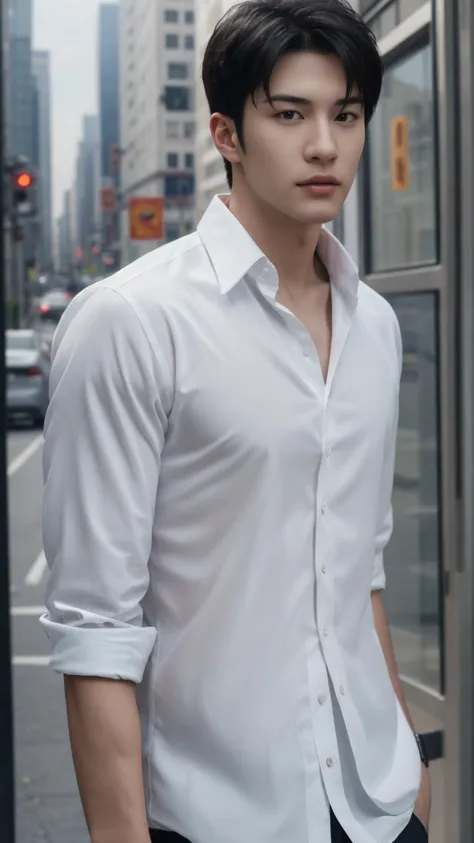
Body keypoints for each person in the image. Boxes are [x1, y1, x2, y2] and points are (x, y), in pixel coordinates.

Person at [40, 1, 431, 842]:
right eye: (289, 114)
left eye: (347, 114)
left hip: (376, 809)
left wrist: (407, 776)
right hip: (215, 814)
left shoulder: (376, 327)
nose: (325, 144)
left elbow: (358, 572)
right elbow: (95, 630)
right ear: (224, 134)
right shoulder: (131, 321)